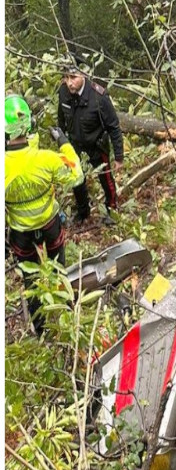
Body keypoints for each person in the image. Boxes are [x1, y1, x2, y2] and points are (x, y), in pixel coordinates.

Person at [5, 94, 84, 335]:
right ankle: (66, 313)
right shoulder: (46, 159)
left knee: (31, 278)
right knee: (59, 268)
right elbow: (76, 175)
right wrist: (64, 143)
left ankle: (40, 328)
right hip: (50, 226)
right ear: (29, 123)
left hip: (21, 235)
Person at [57, 64, 124, 225]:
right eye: (66, 78)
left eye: (73, 77)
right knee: (77, 180)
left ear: (84, 75)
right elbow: (61, 120)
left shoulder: (98, 96)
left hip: (96, 146)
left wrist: (119, 157)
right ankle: (83, 212)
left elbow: (114, 127)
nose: (69, 83)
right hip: (75, 146)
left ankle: (112, 209)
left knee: (106, 179)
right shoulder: (63, 92)